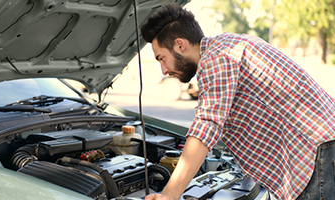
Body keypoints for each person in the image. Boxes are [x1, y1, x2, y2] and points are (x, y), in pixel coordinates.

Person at [140, 3, 335, 200]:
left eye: (161, 58)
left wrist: (170, 193)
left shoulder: (216, 58)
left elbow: (207, 124)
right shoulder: (227, 45)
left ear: (180, 45)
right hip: (318, 148)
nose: (163, 70)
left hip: (313, 151)